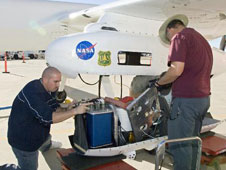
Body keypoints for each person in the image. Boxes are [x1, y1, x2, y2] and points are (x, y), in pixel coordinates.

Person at [157, 14, 213, 170]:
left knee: (180, 145)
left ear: (170, 29)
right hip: (202, 99)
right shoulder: (202, 40)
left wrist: (158, 83)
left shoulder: (179, 37)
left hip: (186, 102)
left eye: (168, 38)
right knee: (193, 143)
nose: (170, 41)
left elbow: (176, 70)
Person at [7, 66, 91, 170]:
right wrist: (75, 111)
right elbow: (48, 118)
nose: (58, 85)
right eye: (56, 82)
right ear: (45, 79)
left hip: (38, 131)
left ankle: (47, 146)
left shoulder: (48, 89)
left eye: (59, 82)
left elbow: (55, 108)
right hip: (24, 141)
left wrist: (67, 109)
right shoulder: (33, 93)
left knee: (45, 139)